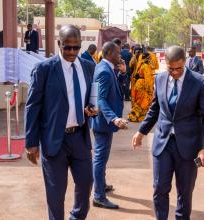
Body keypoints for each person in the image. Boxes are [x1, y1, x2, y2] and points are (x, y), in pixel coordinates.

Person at [132, 45, 204, 220]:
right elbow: (155, 108)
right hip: (163, 143)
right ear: (165, 64)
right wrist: (141, 131)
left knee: (184, 192)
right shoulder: (160, 79)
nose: (175, 72)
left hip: (189, 145)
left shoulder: (200, 82)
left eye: (178, 68)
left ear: (184, 63)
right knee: (159, 188)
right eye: (171, 68)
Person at [24, 25, 97, 220]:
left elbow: (91, 98)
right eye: (67, 47)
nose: (72, 52)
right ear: (59, 44)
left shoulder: (89, 67)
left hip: (80, 138)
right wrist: (31, 143)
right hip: (53, 141)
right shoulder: (44, 69)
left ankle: (76, 217)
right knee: (56, 194)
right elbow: (33, 106)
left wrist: (92, 109)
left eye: (76, 47)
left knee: (86, 183)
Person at [91, 41, 128, 209]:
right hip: (103, 122)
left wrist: (121, 74)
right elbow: (101, 99)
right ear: (108, 53)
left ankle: (101, 184)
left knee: (102, 157)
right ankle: (99, 196)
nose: (120, 56)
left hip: (102, 122)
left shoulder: (105, 68)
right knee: (100, 158)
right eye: (117, 53)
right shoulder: (104, 71)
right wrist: (114, 118)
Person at [128, 50, 156, 122]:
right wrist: (150, 89)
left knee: (138, 101)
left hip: (138, 83)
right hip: (143, 85)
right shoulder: (146, 66)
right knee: (142, 102)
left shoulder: (141, 64)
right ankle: (135, 116)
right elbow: (148, 79)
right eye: (150, 58)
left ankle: (135, 116)